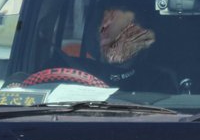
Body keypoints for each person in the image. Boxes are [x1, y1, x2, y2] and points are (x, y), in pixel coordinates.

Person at [25, 5, 178, 92]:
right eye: (105, 26)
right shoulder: (62, 69)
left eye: (123, 29)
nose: (108, 32)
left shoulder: (159, 80)